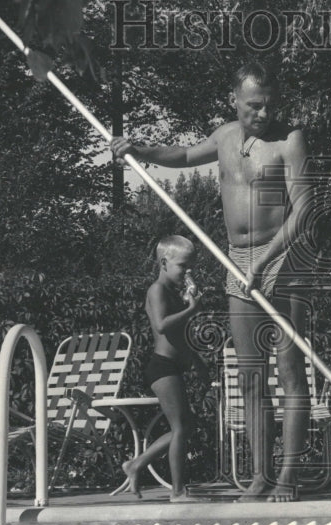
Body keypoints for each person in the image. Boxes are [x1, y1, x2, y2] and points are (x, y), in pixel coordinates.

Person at [111, 61, 313, 502]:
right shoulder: (224, 136)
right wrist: (139, 149)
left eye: (269, 106)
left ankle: (288, 477)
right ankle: (261, 476)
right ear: (235, 101)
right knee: (250, 377)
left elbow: (303, 212)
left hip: (283, 260)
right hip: (237, 260)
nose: (262, 114)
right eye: (253, 106)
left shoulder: (289, 140)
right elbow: (183, 157)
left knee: (289, 371)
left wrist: (265, 260)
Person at [122, 234, 209, 501]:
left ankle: (136, 465)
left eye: (191, 267)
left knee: (185, 426)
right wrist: (191, 310)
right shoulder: (157, 290)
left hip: (173, 365)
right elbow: (161, 325)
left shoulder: (174, 293)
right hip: (161, 367)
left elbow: (180, 336)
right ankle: (178, 491)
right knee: (181, 428)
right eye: (183, 266)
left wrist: (197, 362)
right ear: (164, 262)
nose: (187, 272)